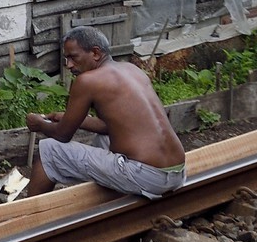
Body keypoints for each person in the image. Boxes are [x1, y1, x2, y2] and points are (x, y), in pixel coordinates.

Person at [25, 27, 187, 199]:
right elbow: (110, 127)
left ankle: (28, 219)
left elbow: (62, 135)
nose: (69, 65)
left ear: (95, 53)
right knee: (104, 138)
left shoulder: (87, 81)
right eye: (66, 59)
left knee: (49, 150)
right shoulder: (132, 70)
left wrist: (39, 124)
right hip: (177, 173)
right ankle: (108, 199)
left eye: (73, 57)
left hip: (146, 177)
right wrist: (64, 117)